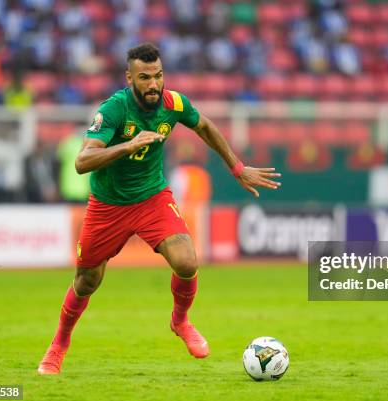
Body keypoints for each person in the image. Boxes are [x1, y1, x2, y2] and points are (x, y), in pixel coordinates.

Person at [38, 43, 282, 374]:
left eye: (158, 76)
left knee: (186, 260)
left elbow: (205, 126)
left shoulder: (174, 103)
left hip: (152, 197)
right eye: (145, 78)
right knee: (87, 281)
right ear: (129, 78)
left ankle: (180, 321)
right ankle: (59, 345)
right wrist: (128, 145)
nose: (154, 84)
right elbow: (83, 161)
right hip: (108, 205)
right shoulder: (113, 110)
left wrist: (238, 168)